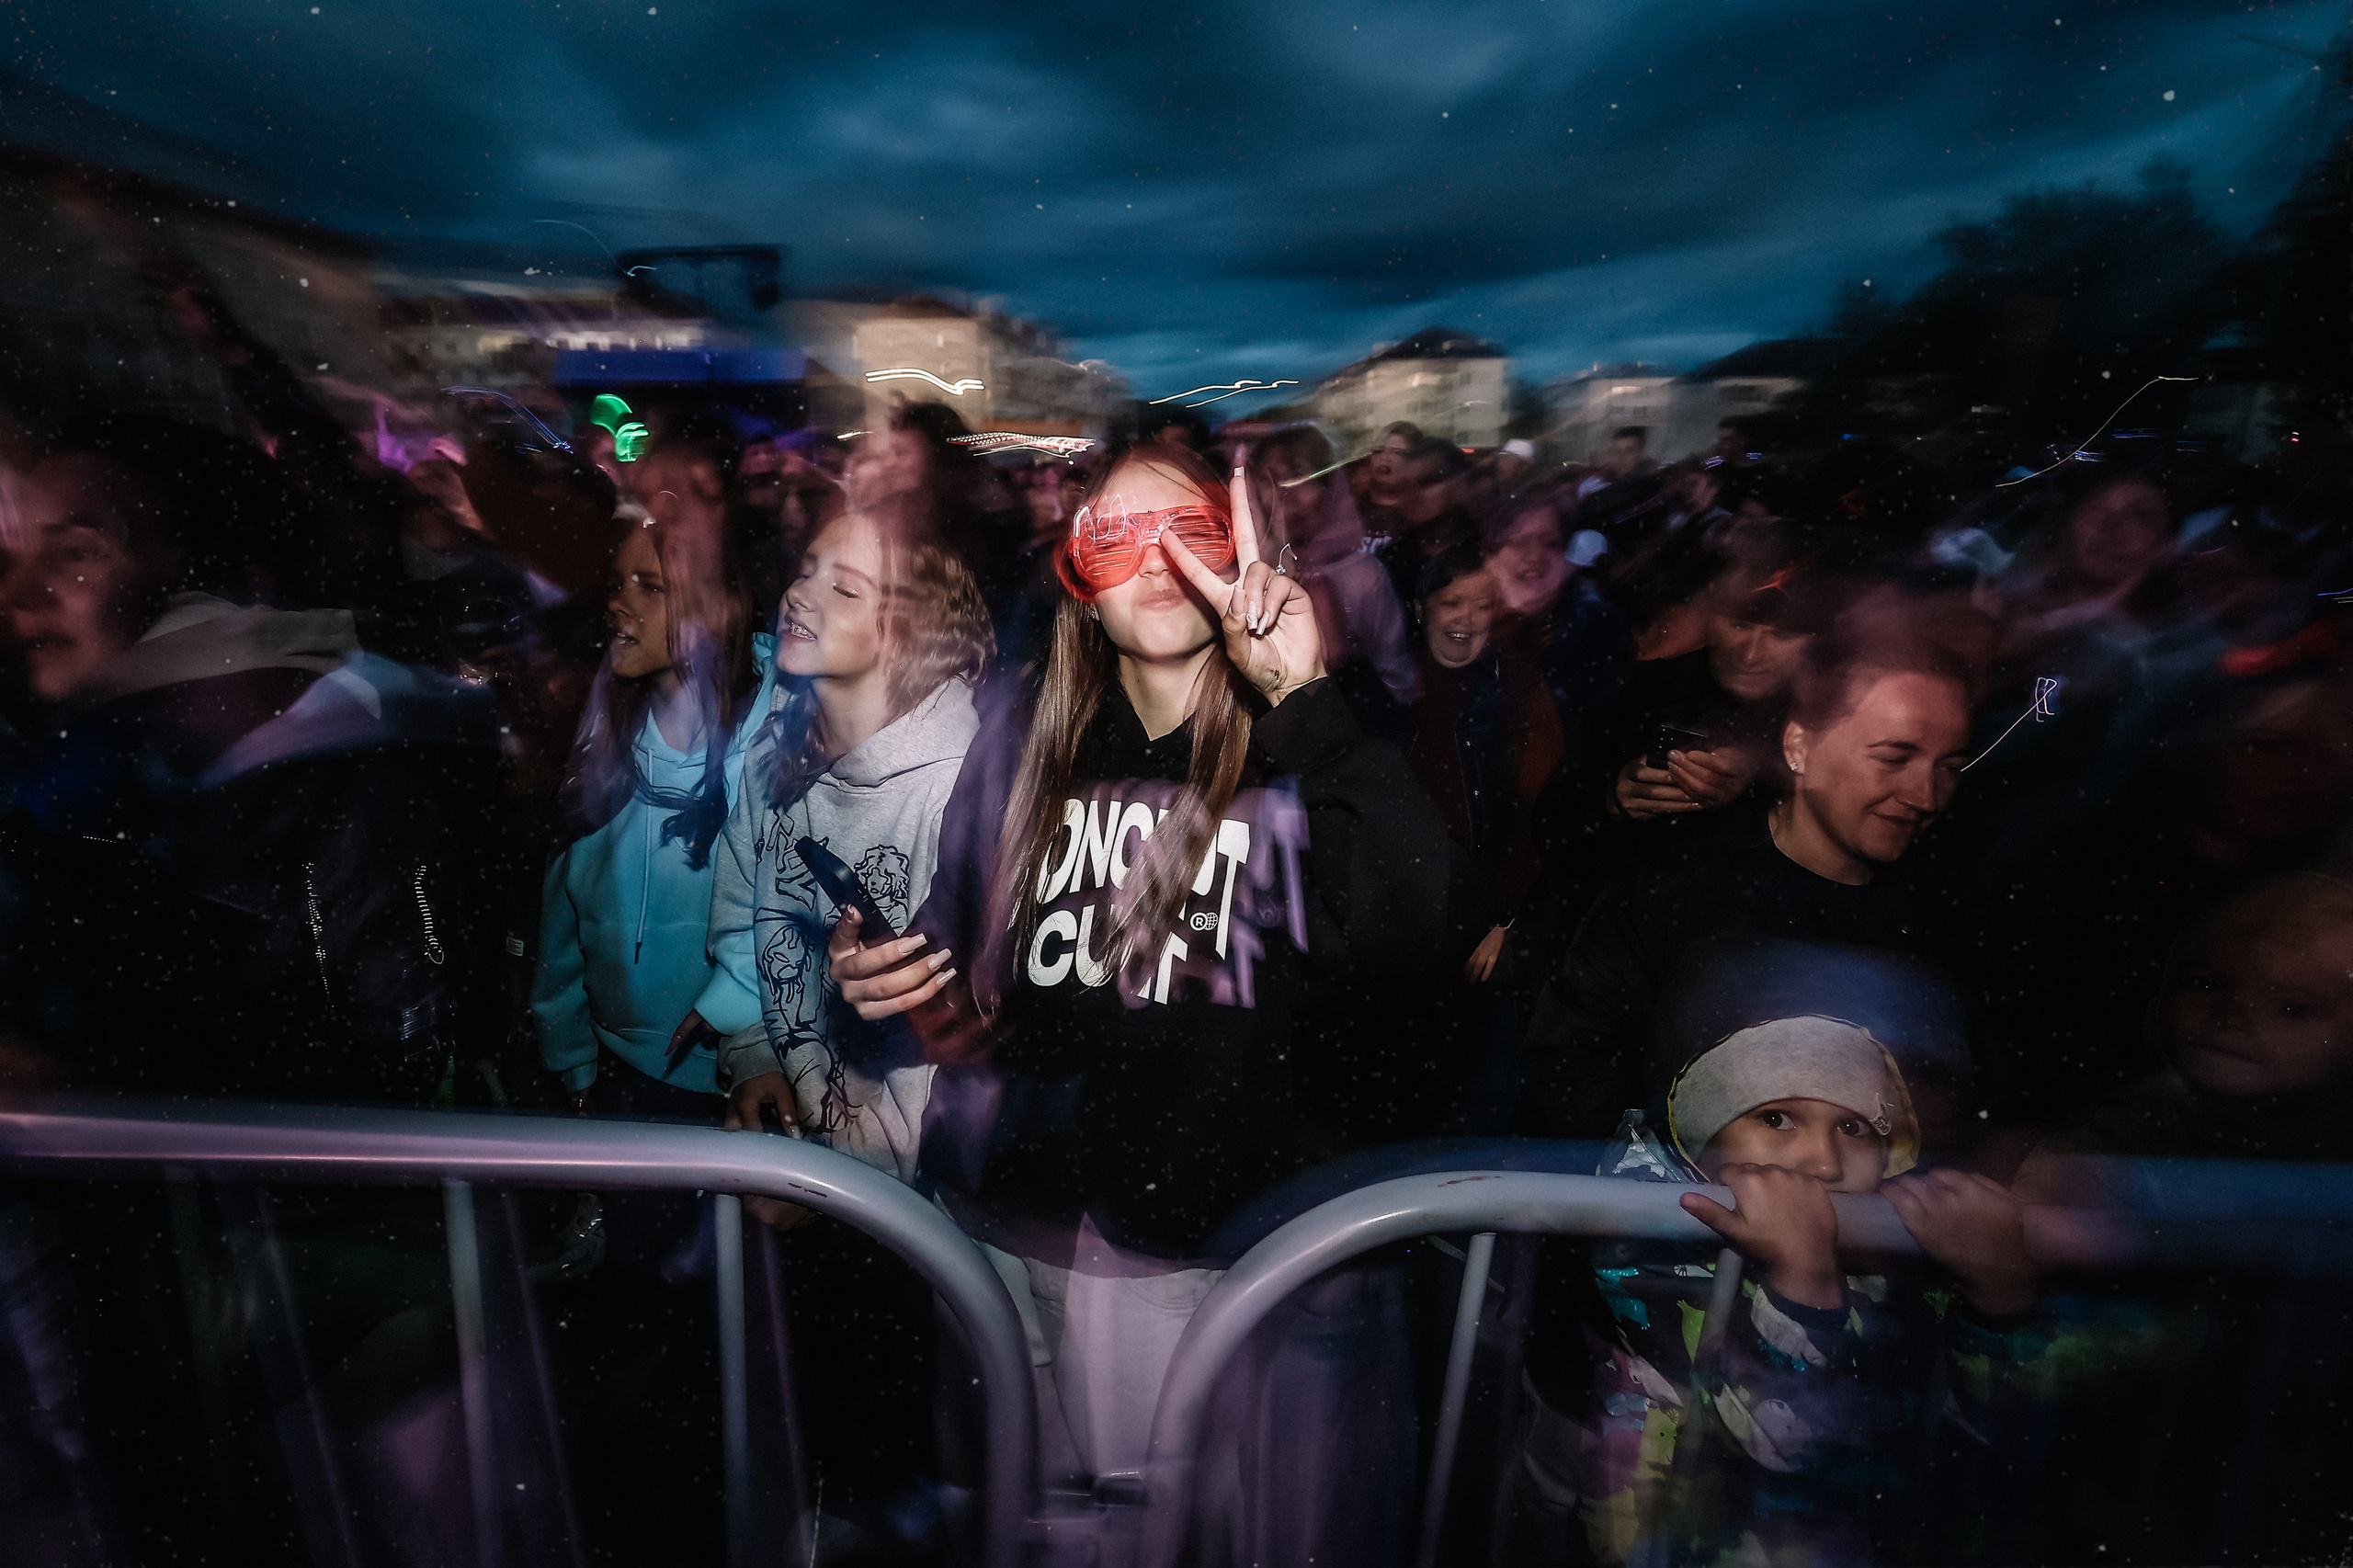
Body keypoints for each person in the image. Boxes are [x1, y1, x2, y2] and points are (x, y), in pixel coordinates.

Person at [826, 442, 1468, 1548]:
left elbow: (1425, 928)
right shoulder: (1027, 733)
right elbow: (957, 943)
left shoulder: (1306, 741)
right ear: (1079, 577)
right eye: (1116, 538)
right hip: (1016, 1222)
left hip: (1218, 1252)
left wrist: (1300, 696)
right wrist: (870, 976)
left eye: (1193, 533)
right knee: (1051, 1533)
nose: (1159, 561)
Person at [1505, 1012, 2047, 1567]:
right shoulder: (1660, 1252)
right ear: (1700, 1147)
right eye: (1777, 1118)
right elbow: (1791, 1451)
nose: (1825, 1163)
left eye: (1853, 1127)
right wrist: (1803, 1280)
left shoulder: (1896, 1255)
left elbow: (2001, 1442)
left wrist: (1998, 1299)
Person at [1522, 642, 1976, 1140]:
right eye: (1894, 758)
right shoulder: (1685, 885)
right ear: (1799, 746)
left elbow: (1957, 1110)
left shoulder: (1944, 916)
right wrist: (1673, 1175)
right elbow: (1573, 1060)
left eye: (1950, 767)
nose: (1925, 796)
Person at [693, 503, 994, 1186]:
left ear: (910, 635)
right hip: (797, 1148)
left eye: (845, 588)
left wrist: (848, 1180)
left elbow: (943, 1047)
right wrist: (754, 1051)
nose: (800, 593)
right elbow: (743, 921)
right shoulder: (772, 751)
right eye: (806, 570)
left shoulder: (957, 791)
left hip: (902, 1193)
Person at [531, 516, 768, 1108]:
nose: (618, 603)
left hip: (749, 1075)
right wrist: (571, 1055)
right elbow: (562, 916)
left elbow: (801, 919)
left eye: (651, 586)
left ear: (718, 611)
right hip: (619, 1072)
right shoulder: (604, 738)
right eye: (616, 583)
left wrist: (745, 1018)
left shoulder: (780, 748)